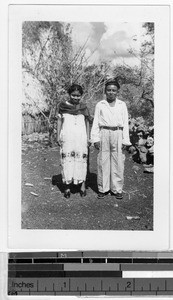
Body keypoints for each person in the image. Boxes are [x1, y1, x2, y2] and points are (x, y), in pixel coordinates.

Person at [90, 78, 131, 199]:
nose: (111, 92)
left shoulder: (122, 105)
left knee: (118, 161)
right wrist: (95, 139)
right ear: (105, 91)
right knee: (103, 161)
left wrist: (125, 140)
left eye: (114, 90)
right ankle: (103, 188)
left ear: (117, 92)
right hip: (104, 132)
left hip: (117, 133)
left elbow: (125, 123)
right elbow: (96, 122)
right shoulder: (100, 105)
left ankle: (117, 189)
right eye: (109, 90)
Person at [57, 84, 90, 198]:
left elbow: (87, 122)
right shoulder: (63, 106)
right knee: (67, 160)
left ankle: (82, 186)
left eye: (78, 96)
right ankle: (67, 187)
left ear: (81, 96)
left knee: (81, 159)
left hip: (81, 137)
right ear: (69, 94)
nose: (76, 97)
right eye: (73, 95)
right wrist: (58, 136)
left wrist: (88, 137)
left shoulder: (84, 107)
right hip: (67, 137)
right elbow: (60, 121)